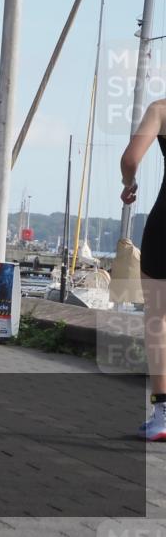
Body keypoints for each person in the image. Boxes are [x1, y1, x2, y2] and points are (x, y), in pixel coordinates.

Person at [120, 99, 166, 440]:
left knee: (158, 319)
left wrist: (129, 183)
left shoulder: (161, 109)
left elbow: (130, 159)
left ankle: (163, 414)